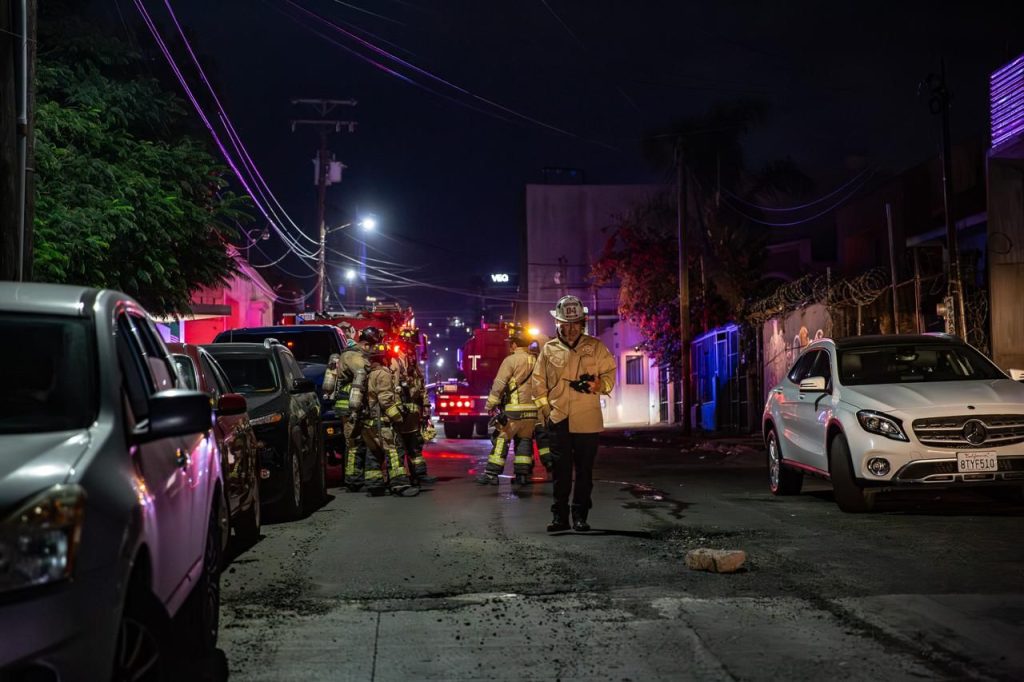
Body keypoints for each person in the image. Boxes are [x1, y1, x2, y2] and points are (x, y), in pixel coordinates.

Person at [531, 295, 616, 532]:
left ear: (582, 323)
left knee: (584, 472)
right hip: (559, 418)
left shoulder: (596, 347)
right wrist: (546, 410)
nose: (569, 330)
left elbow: (610, 374)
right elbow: (538, 382)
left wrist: (598, 385)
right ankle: (560, 517)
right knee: (561, 472)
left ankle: (580, 515)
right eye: (564, 325)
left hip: (587, 419)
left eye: (574, 324)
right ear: (557, 324)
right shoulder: (548, 349)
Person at [476, 324, 539, 487]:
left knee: (501, 439)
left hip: (514, 412)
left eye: (511, 343)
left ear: (514, 344)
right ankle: (522, 475)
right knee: (524, 441)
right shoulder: (537, 360)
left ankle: (491, 474)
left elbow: (499, 384)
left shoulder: (510, 360)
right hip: (532, 412)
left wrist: (490, 404)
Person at [366, 337, 420, 497]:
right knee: (394, 450)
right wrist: (398, 417)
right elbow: (385, 400)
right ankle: (400, 484)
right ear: (384, 358)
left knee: (374, 452)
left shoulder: (369, 374)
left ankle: (374, 484)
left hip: (369, 423)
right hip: (382, 422)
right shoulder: (383, 374)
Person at [322, 328, 373, 492]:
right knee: (353, 443)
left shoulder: (356, 354)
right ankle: (352, 480)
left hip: (356, 406)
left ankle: (359, 477)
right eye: (372, 347)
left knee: (359, 442)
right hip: (349, 407)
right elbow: (364, 372)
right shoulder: (352, 356)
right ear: (366, 344)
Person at [391, 328, 436, 485]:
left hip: (413, 414)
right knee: (400, 447)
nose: (413, 349)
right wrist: (396, 410)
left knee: (415, 445)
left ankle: (419, 475)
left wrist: (426, 408)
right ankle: (401, 479)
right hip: (402, 413)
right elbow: (394, 388)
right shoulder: (395, 361)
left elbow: (421, 386)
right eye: (410, 346)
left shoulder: (412, 362)